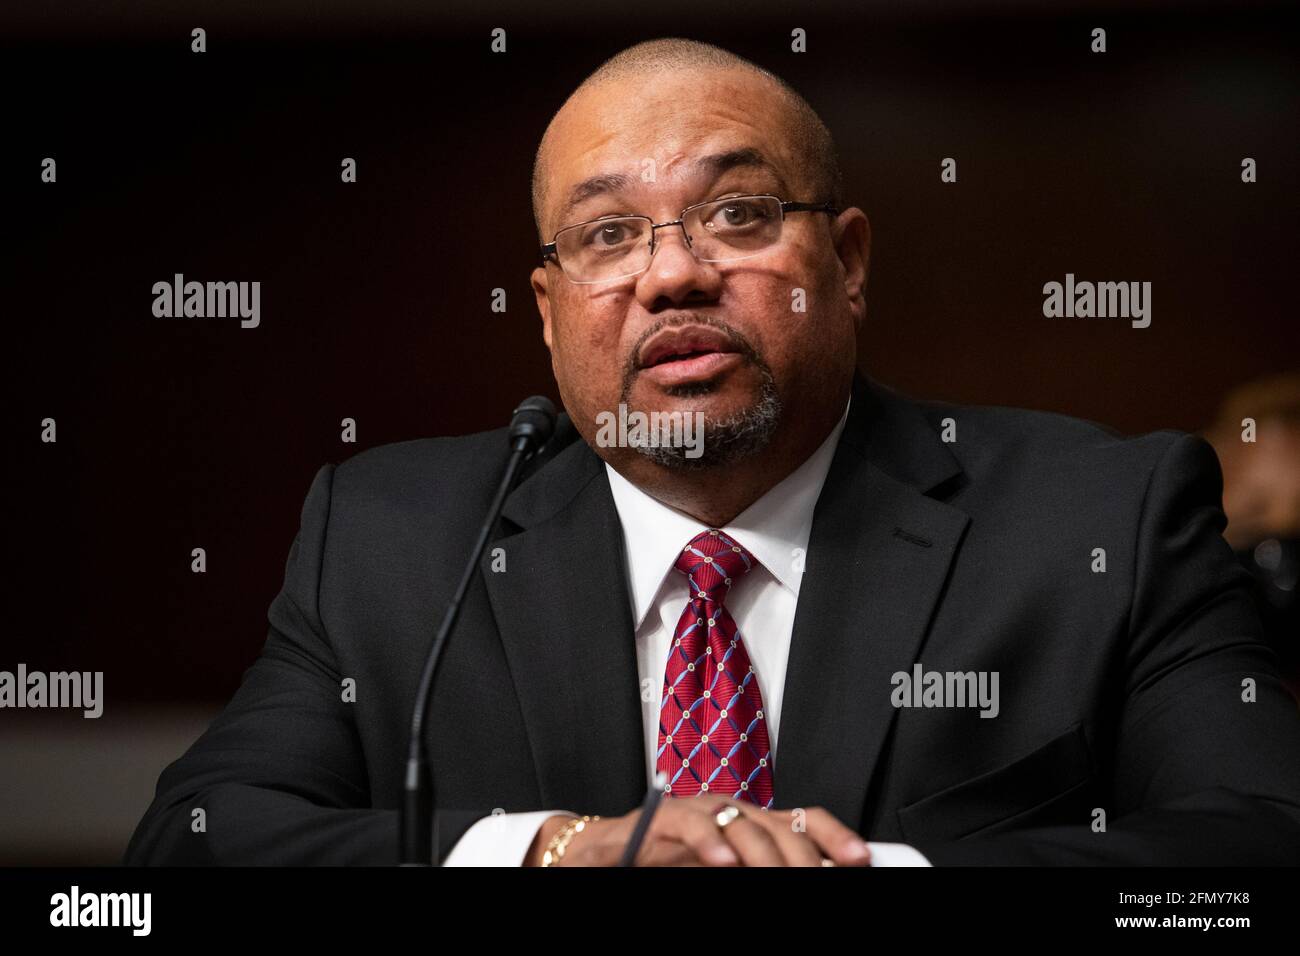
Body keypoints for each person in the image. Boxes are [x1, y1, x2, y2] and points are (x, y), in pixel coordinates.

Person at [124, 38, 1300, 867]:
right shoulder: (391, 539)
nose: (672, 271)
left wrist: (870, 874)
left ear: (846, 263)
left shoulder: (1103, 520)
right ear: (548, 312)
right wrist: (545, 851)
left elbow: (1254, 843)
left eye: (737, 214)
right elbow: (192, 840)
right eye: (606, 234)